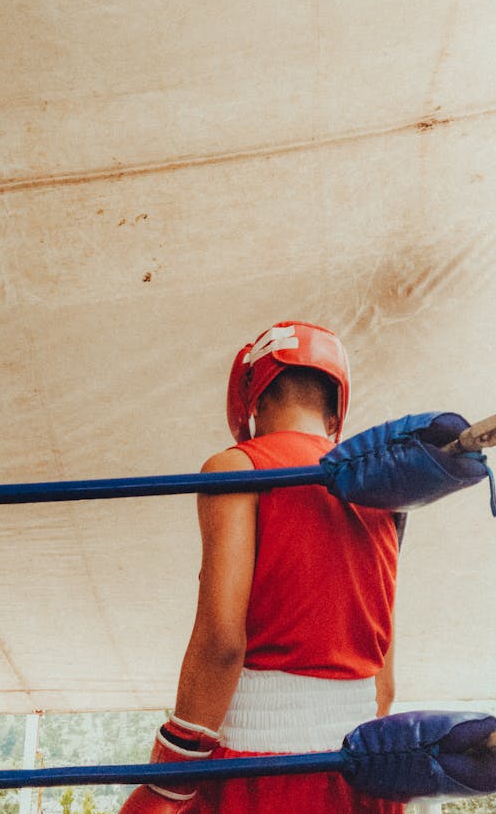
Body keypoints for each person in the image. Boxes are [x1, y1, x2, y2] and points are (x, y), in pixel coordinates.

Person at [119, 321, 404, 813]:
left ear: (253, 394)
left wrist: (170, 776)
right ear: (337, 405)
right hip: (360, 773)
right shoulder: (387, 490)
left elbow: (222, 642)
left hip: (260, 768)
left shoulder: (237, 467)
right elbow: (383, 683)